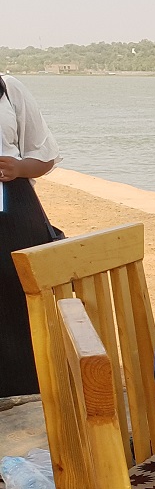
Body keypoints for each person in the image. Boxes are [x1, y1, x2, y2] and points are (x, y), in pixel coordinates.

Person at [0, 75, 61, 398]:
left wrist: (19, 169)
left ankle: (32, 394)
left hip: (13, 207)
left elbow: (45, 155)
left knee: (23, 299)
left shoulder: (9, 89)